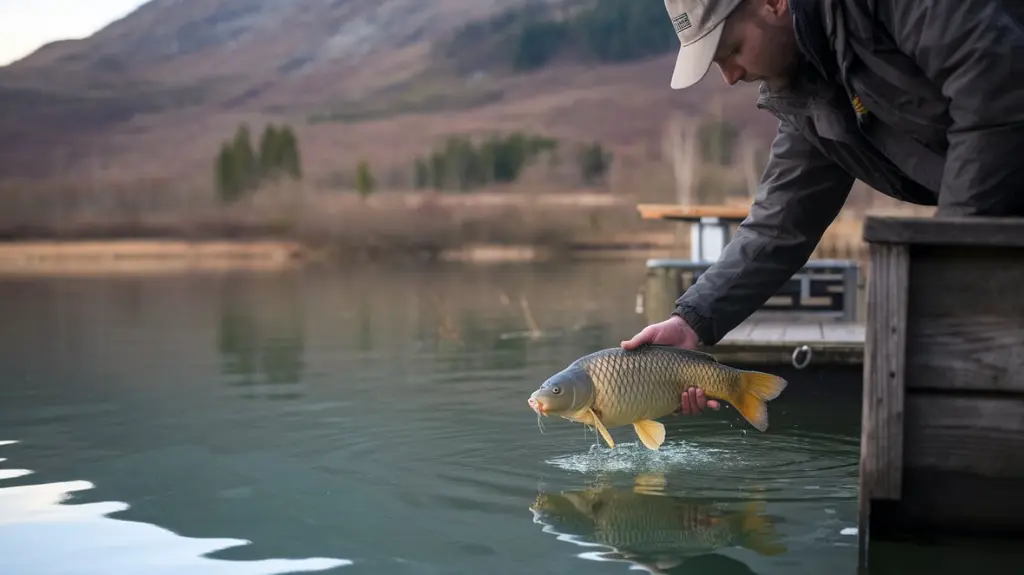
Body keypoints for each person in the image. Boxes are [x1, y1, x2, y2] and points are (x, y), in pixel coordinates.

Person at [623, 0, 1024, 417]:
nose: (730, 76)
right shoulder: (810, 86)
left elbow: (994, 94)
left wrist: (950, 270)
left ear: (773, 4)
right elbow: (780, 222)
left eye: (732, 50)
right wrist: (692, 321)